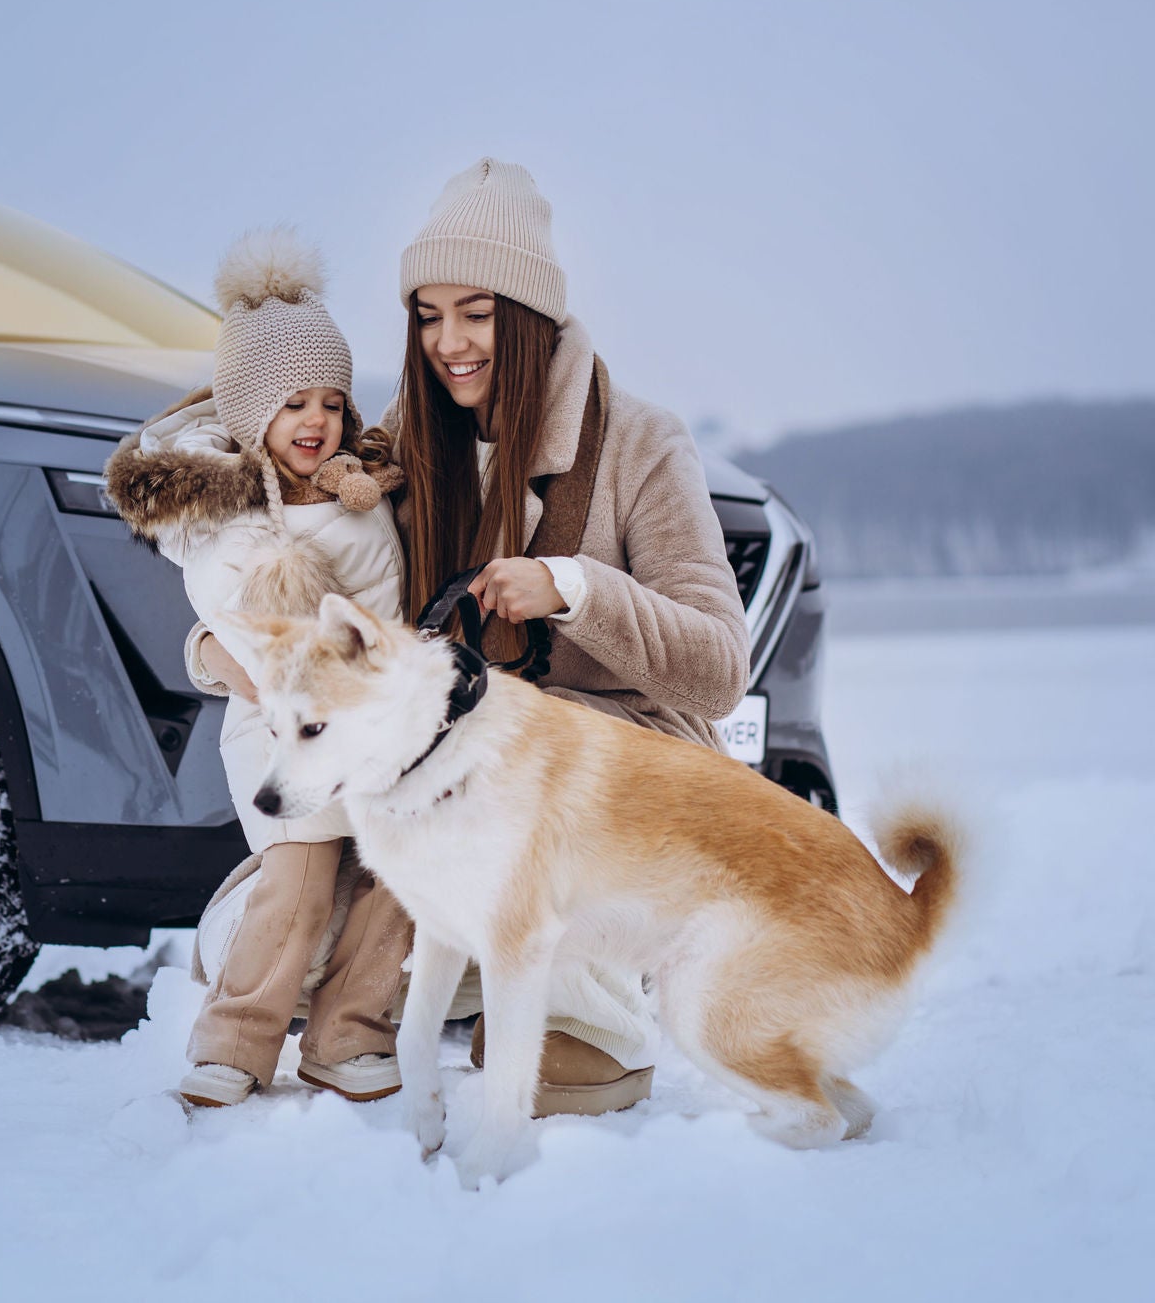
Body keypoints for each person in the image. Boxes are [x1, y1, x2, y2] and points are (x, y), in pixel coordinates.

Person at [201, 161, 751, 1116]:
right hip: (444, 780)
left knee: (503, 770)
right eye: (427, 315)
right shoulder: (401, 446)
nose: (449, 342)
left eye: (477, 313)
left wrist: (575, 588)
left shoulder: (641, 444)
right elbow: (306, 588)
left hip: (608, 778)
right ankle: (454, 975)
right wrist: (220, 659)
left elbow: (719, 670)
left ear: (529, 317)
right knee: (243, 938)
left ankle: (600, 1018)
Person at [105, 229, 413, 1109]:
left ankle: (350, 1031)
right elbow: (237, 619)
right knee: (303, 875)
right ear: (249, 417)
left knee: (395, 870)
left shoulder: (365, 497)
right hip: (281, 727)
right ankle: (237, 1035)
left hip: (375, 720)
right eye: (290, 406)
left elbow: (388, 605)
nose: (314, 421)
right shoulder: (228, 520)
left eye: (329, 402)